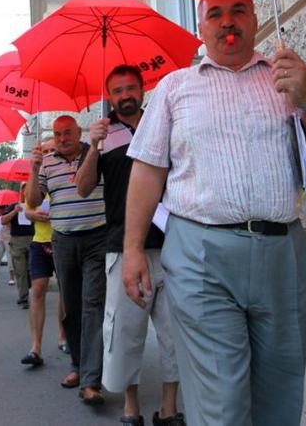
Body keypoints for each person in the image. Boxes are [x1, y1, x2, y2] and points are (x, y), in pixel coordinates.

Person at [123, 0, 306, 426]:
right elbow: (148, 171)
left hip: (282, 253)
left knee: (281, 395)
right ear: (200, 26)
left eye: (238, 10)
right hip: (201, 255)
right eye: (215, 13)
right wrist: (134, 249)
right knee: (221, 402)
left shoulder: (290, 77)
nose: (227, 21)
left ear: (254, 18)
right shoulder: (175, 88)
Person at [75, 65, 184, 426]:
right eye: (118, 90)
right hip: (122, 246)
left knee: (174, 331)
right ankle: (130, 404)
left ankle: (169, 407)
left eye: (131, 88)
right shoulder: (103, 134)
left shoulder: (160, 121)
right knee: (124, 331)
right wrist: (92, 146)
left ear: (142, 89)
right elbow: (82, 187)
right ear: (110, 96)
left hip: (171, 243)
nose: (125, 95)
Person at [27, 115, 107, 406]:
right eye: (58, 134)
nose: (62, 138)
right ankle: (77, 364)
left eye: (67, 132)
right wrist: (33, 170)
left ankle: (90, 381)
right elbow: (34, 201)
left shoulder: (95, 152)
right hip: (62, 241)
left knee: (92, 305)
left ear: (79, 132)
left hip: (97, 238)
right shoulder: (47, 162)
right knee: (71, 308)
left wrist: (97, 144)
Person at [3, 182, 34, 308]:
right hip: (17, 241)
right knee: (20, 271)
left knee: (31, 271)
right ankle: (23, 297)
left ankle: (27, 287)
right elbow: (3, 220)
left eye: (28, 188)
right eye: (23, 188)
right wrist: (15, 211)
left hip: (34, 240)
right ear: (20, 191)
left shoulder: (35, 205)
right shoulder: (13, 206)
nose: (25, 191)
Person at [0, 202, 16, 285]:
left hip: (9, 238)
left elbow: (10, 226)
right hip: (0, 238)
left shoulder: (8, 216)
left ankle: (12, 278)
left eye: (1, 208)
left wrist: (5, 219)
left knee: (10, 259)